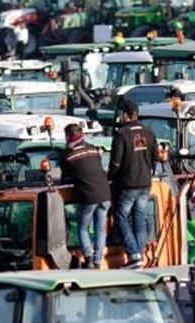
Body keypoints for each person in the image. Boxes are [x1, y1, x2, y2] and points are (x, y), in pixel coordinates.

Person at [109, 99, 157, 266]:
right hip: (145, 183)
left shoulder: (121, 134)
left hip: (128, 184)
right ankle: (141, 255)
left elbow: (115, 162)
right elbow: (154, 158)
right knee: (139, 218)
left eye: (121, 113)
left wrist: (112, 176)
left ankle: (134, 253)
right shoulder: (148, 131)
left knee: (121, 217)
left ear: (126, 115)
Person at [61, 123, 111, 269]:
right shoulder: (93, 149)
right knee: (100, 230)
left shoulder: (67, 155)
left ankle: (88, 258)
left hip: (88, 196)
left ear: (69, 136)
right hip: (105, 193)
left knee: (82, 227)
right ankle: (97, 261)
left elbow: (66, 177)